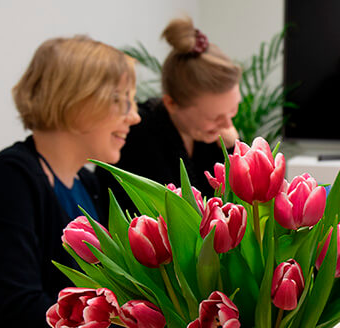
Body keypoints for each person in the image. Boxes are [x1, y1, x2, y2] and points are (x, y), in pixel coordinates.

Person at [0, 35, 140, 328]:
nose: (134, 117)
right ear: (79, 103)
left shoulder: (89, 182)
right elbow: (19, 317)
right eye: (122, 102)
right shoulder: (7, 182)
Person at [101, 16, 242, 204]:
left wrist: (234, 148)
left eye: (232, 110)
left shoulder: (216, 137)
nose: (228, 124)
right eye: (214, 117)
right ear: (171, 104)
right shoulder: (134, 138)